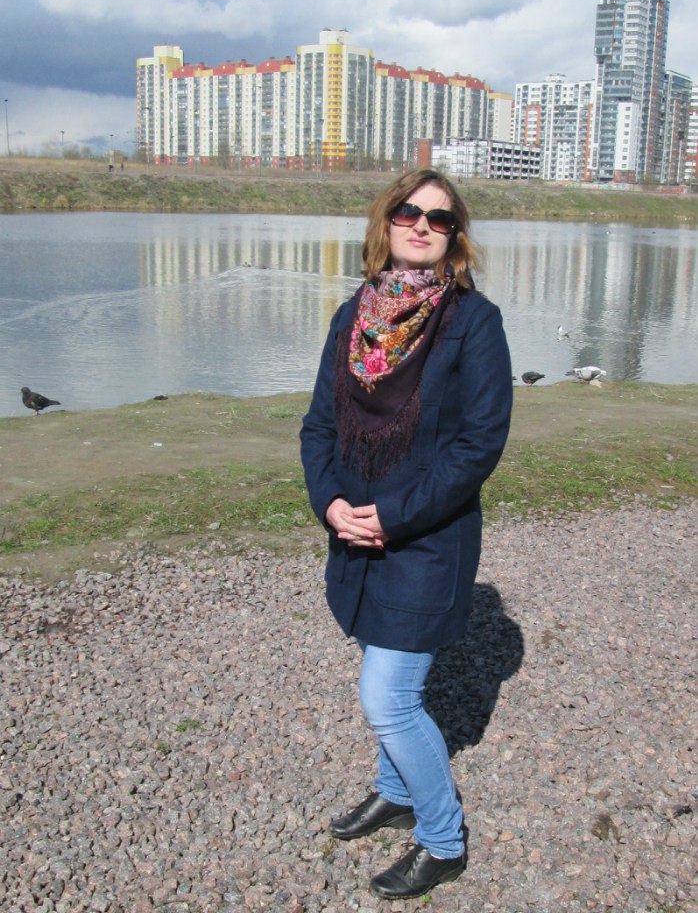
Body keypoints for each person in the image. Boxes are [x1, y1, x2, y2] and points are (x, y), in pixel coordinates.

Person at [300, 168, 513, 900]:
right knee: (379, 664)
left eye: (440, 218)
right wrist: (330, 501)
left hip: (425, 537)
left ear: (455, 237)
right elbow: (319, 425)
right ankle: (395, 791)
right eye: (408, 211)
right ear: (385, 221)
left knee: (388, 697)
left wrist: (394, 514)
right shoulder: (353, 315)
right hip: (352, 530)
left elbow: (478, 445)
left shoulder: (474, 322)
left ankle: (443, 841)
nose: (422, 225)